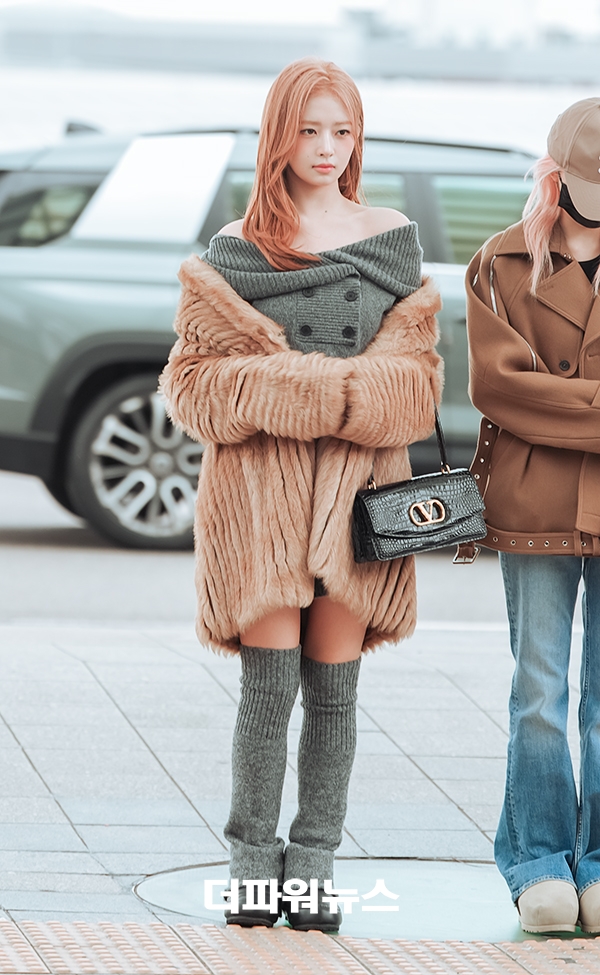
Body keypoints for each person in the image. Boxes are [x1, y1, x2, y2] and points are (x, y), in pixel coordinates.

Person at [160, 57, 442, 932]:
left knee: (335, 692)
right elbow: (195, 389)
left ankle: (314, 862)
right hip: (261, 503)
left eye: (343, 130)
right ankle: (253, 864)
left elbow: (417, 383)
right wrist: (328, 389)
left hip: (359, 498)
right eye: (311, 129)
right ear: (279, 135)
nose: (327, 148)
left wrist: (300, 387)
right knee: (267, 687)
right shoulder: (233, 251)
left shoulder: (391, 236)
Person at [465, 97, 600, 935]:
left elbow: (538, 397)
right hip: (535, 499)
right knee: (540, 688)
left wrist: (563, 405)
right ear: (555, 178)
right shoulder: (503, 261)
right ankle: (540, 860)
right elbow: (500, 387)